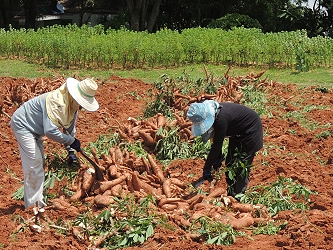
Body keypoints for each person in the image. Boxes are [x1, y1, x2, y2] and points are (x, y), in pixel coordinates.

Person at [10, 77, 99, 209]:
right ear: (75, 97)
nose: (81, 107)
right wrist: (71, 141)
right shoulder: (57, 102)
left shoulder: (72, 106)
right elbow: (50, 131)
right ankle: (33, 207)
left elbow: (69, 130)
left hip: (35, 130)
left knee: (39, 164)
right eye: (82, 103)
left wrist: (70, 151)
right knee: (35, 164)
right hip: (23, 126)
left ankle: (36, 201)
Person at [187, 100, 263, 198]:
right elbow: (215, 142)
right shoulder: (215, 117)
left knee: (241, 166)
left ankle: (238, 196)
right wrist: (216, 160)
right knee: (230, 163)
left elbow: (217, 145)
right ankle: (231, 191)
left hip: (251, 131)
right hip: (237, 133)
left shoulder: (221, 119)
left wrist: (207, 167)